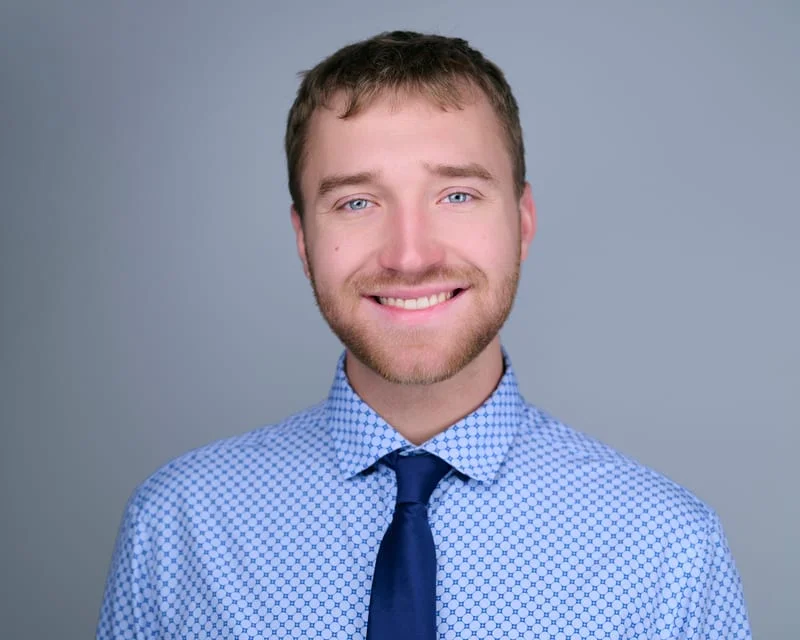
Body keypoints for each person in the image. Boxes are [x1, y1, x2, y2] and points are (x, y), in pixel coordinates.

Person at [97, 31, 751, 639]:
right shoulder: (176, 526)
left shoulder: (670, 547)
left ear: (522, 221)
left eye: (457, 195)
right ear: (303, 240)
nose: (409, 257)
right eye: (357, 202)